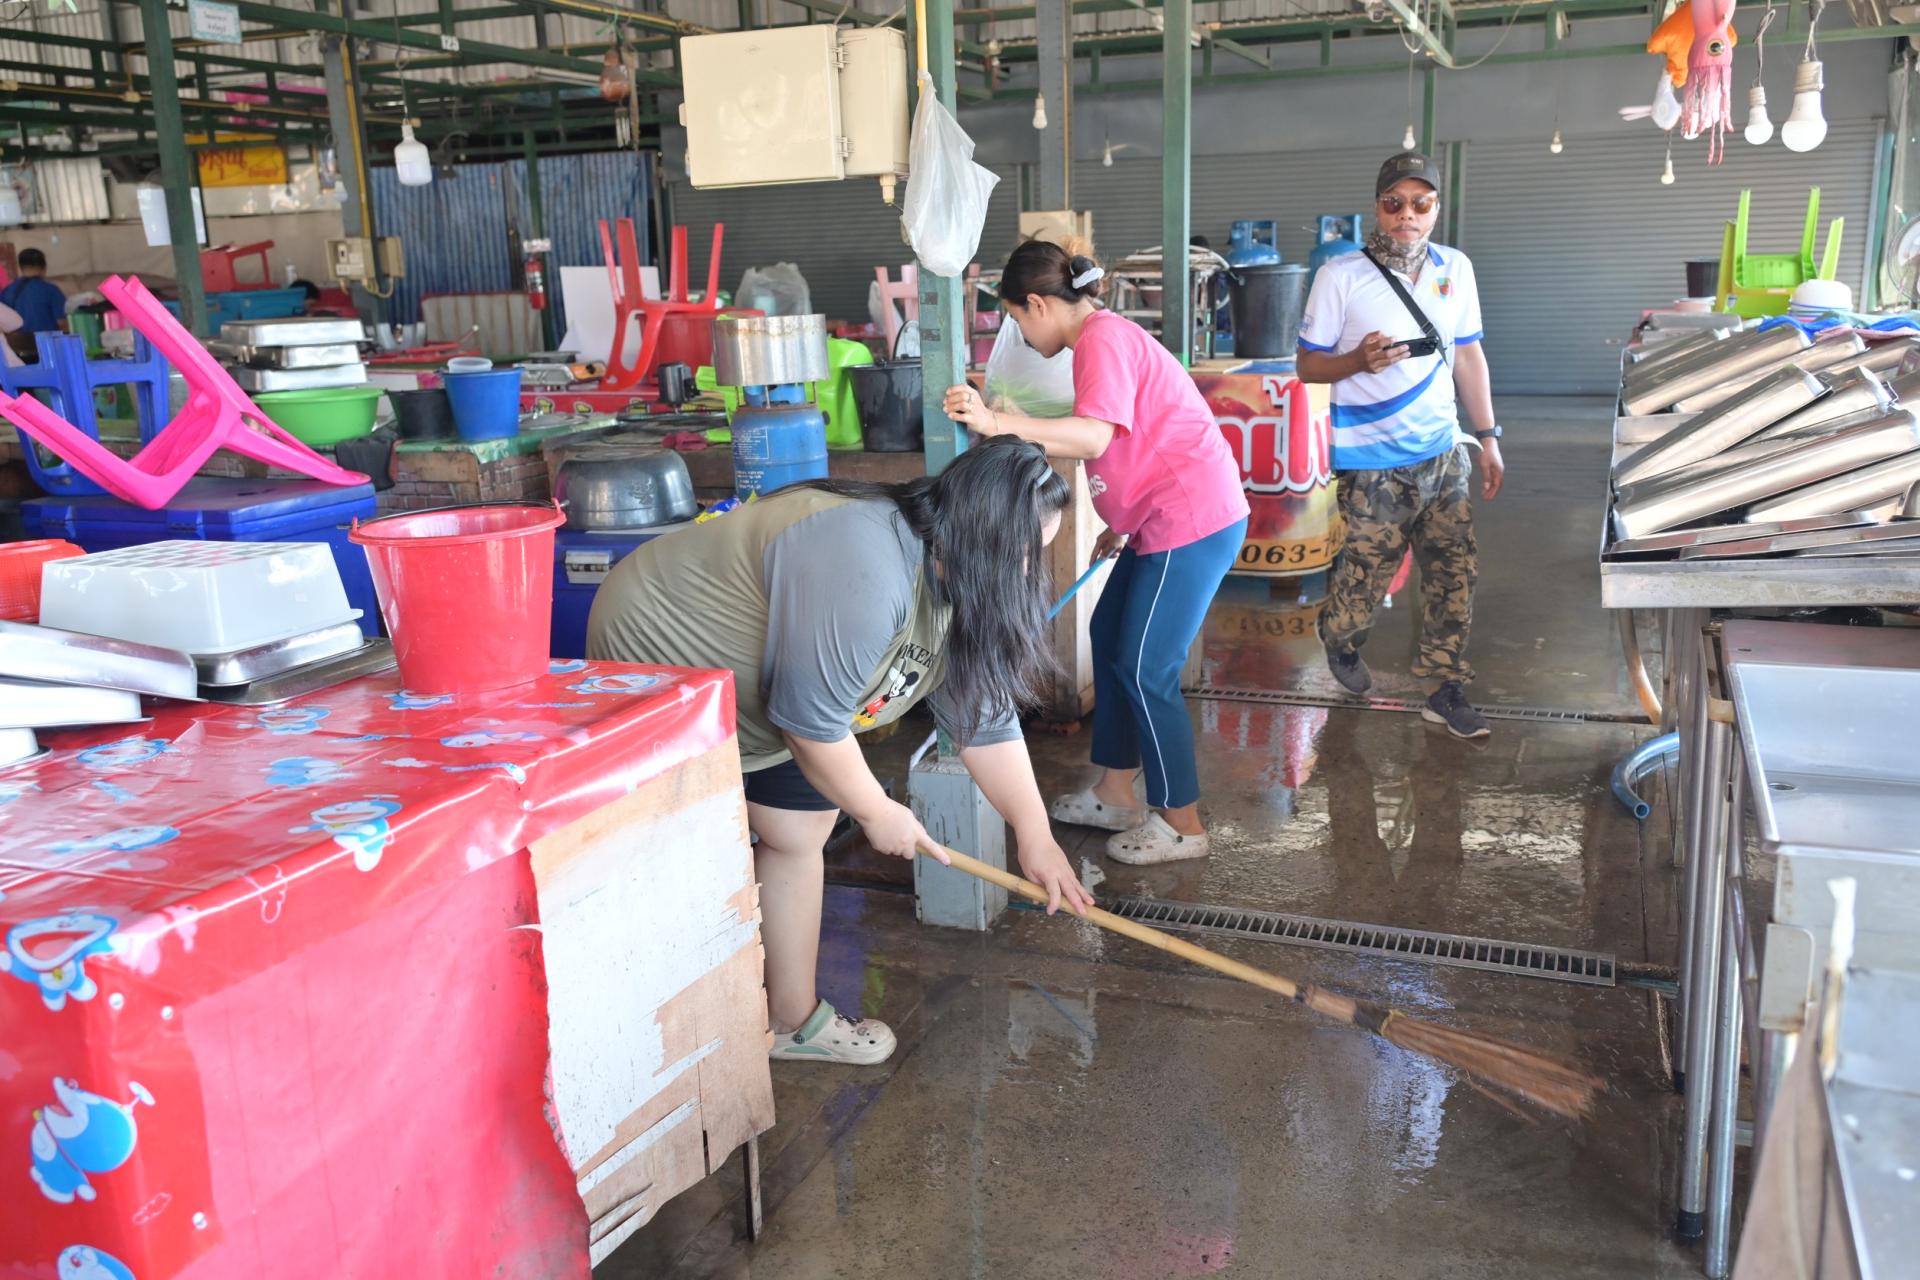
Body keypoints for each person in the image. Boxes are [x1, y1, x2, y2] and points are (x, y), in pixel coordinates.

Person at [586, 437, 1096, 1066]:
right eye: (1022, 555)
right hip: (662, 653)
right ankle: (659, 1036)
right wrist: (879, 811)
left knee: (803, 828)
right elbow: (811, 726)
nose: (1025, 574)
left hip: (769, 691)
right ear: (982, 535)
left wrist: (1035, 834)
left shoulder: (954, 568)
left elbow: (984, 719)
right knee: (683, 840)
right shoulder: (866, 561)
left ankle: (789, 1021)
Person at [943, 240, 1249, 866]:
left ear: (1037, 304)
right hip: (1158, 519)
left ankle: (1182, 824)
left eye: (1017, 320)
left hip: (1189, 518)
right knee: (1109, 636)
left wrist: (996, 423)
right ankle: (1115, 793)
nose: (1022, 335)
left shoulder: (1101, 340)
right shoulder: (1101, 338)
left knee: (1145, 666)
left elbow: (1092, 437)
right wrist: (1124, 522)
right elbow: (1139, 437)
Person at [1294, 150, 1505, 741]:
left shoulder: (1455, 268)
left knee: (1453, 573)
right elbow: (1307, 366)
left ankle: (1444, 688)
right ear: (1377, 207)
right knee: (1364, 581)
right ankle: (1339, 638)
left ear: (1435, 208)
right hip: (1372, 464)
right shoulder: (1340, 275)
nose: (1406, 214)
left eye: (1420, 203)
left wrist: (1488, 437)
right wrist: (1356, 362)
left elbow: (1468, 355)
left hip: (1443, 453)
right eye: (1394, 203)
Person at [1, 249, 68, 364]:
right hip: (48, 352)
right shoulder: (51, 290)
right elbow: (62, 323)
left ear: (20, 267)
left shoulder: (7, 291)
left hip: (18, 353)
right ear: (44, 267)